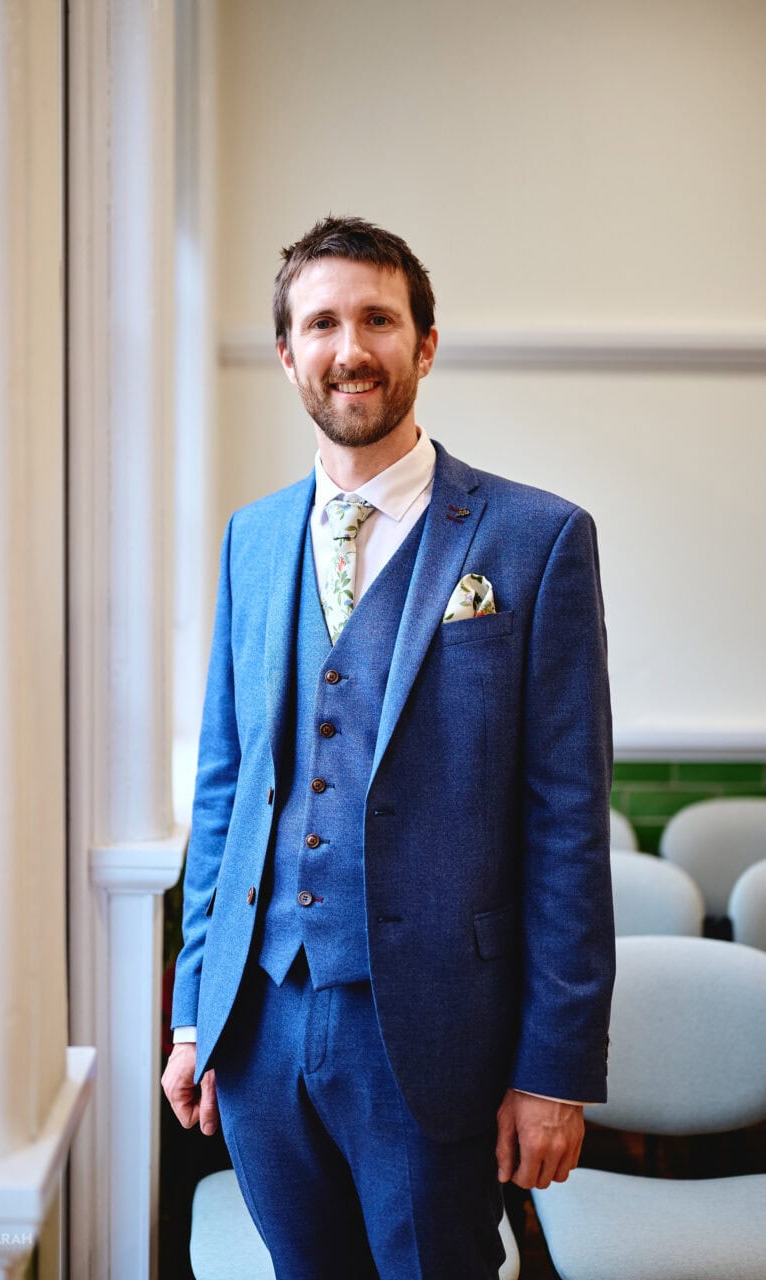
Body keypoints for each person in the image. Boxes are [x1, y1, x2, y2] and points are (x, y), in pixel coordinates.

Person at [162, 215, 615, 1279]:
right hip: (261, 1023)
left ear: (425, 342)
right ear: (286, 354)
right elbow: (225, 787)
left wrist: (554, 1070)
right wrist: (192, 1010)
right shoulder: (254, 536)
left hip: (437, 1040)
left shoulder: (535, 539)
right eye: (321, 322)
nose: (350, 346)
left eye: (378, 317)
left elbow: (565, 822)